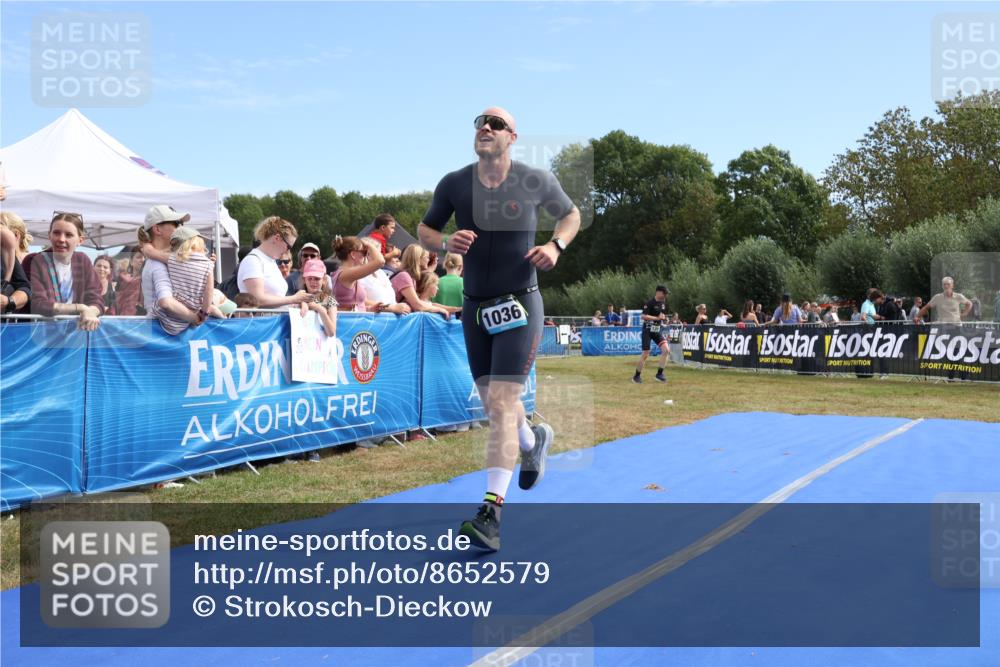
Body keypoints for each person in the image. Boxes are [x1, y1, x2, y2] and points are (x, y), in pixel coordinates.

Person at [417, 106, 581, 551]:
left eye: (495, 124)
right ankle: (533, 440)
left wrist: (556, 245)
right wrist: (447, 241)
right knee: (496, 409)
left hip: (521, 304)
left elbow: (571, 215)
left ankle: (490, 514)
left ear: (512, 136)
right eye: (479, 123)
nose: (484, 128)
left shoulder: (533, 179)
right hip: (475, 308)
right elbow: (425, 229)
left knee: (505, 400)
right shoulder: (454, 183)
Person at [29, 212, 103, 330]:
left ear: (80, 240)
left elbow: (96, 299)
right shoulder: (34, 260)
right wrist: (80, 308)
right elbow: (38, 304)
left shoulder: (83, 260)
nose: (61, 239)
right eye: (56, 233)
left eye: (68, 235)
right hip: (41, 334)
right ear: (49, 235)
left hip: (76, 333)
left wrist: (91, 312)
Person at [155, 226, 225, 335]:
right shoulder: (208, 265)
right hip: (192, 313)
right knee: (213, 308)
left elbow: (152, 253)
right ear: (195, 244)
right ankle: (224, 319)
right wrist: (204, 313)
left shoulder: (172, 259)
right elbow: (209, 291)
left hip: (169, 316)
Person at [237, 216, 312, 309]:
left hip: (272, 321)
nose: (287, 251)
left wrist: (299, 303)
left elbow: (279, 299)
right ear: (277, 238)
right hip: (262, 322)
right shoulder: (253, 261)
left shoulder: (270, 261)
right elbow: (256, 299)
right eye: (288, 246)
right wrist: (293, 299)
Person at [391, 244, 451, 318]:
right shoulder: (404, 276)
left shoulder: (410, 277)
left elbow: (423, 303)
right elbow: (417, 304)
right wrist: (440, 310)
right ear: (418, 259)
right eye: (426, 257)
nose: (428, 260)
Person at [357, 238, 411, 314]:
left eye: (380, 253)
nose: (381, 256)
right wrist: (391, 308)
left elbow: (391, 299)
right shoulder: (357, 275)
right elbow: (361, 302)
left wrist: (401, 307)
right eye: (377, 253)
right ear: (366, 254)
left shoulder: (381, 273)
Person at [330, 235, 384, 312]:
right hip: (351, 322)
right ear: (353, 254)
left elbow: (352, 305)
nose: (365, 256)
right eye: (364, 252)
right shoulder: (346, 274)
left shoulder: (347, 273)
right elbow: (380, 261)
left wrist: (370, 309)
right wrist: (369, 245)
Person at [633, 285, 670, 384]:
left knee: (666, 350)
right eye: (664, 293)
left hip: (657, 330)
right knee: (646, 353)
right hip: (648, 330)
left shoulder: (663, 303)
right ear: (658, 292)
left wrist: (665, 318)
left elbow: (661, 315)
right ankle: (636, 376)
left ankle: (659, 374)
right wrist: (657, 318)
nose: (665, 295)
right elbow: (643, 316)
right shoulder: (649, 303)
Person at [115, 248, 145, 316]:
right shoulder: (123, 279)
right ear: (131, 262)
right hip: (128, 318)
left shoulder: (153, 279)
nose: (143, 260)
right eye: (139, 257)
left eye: (145, 257)